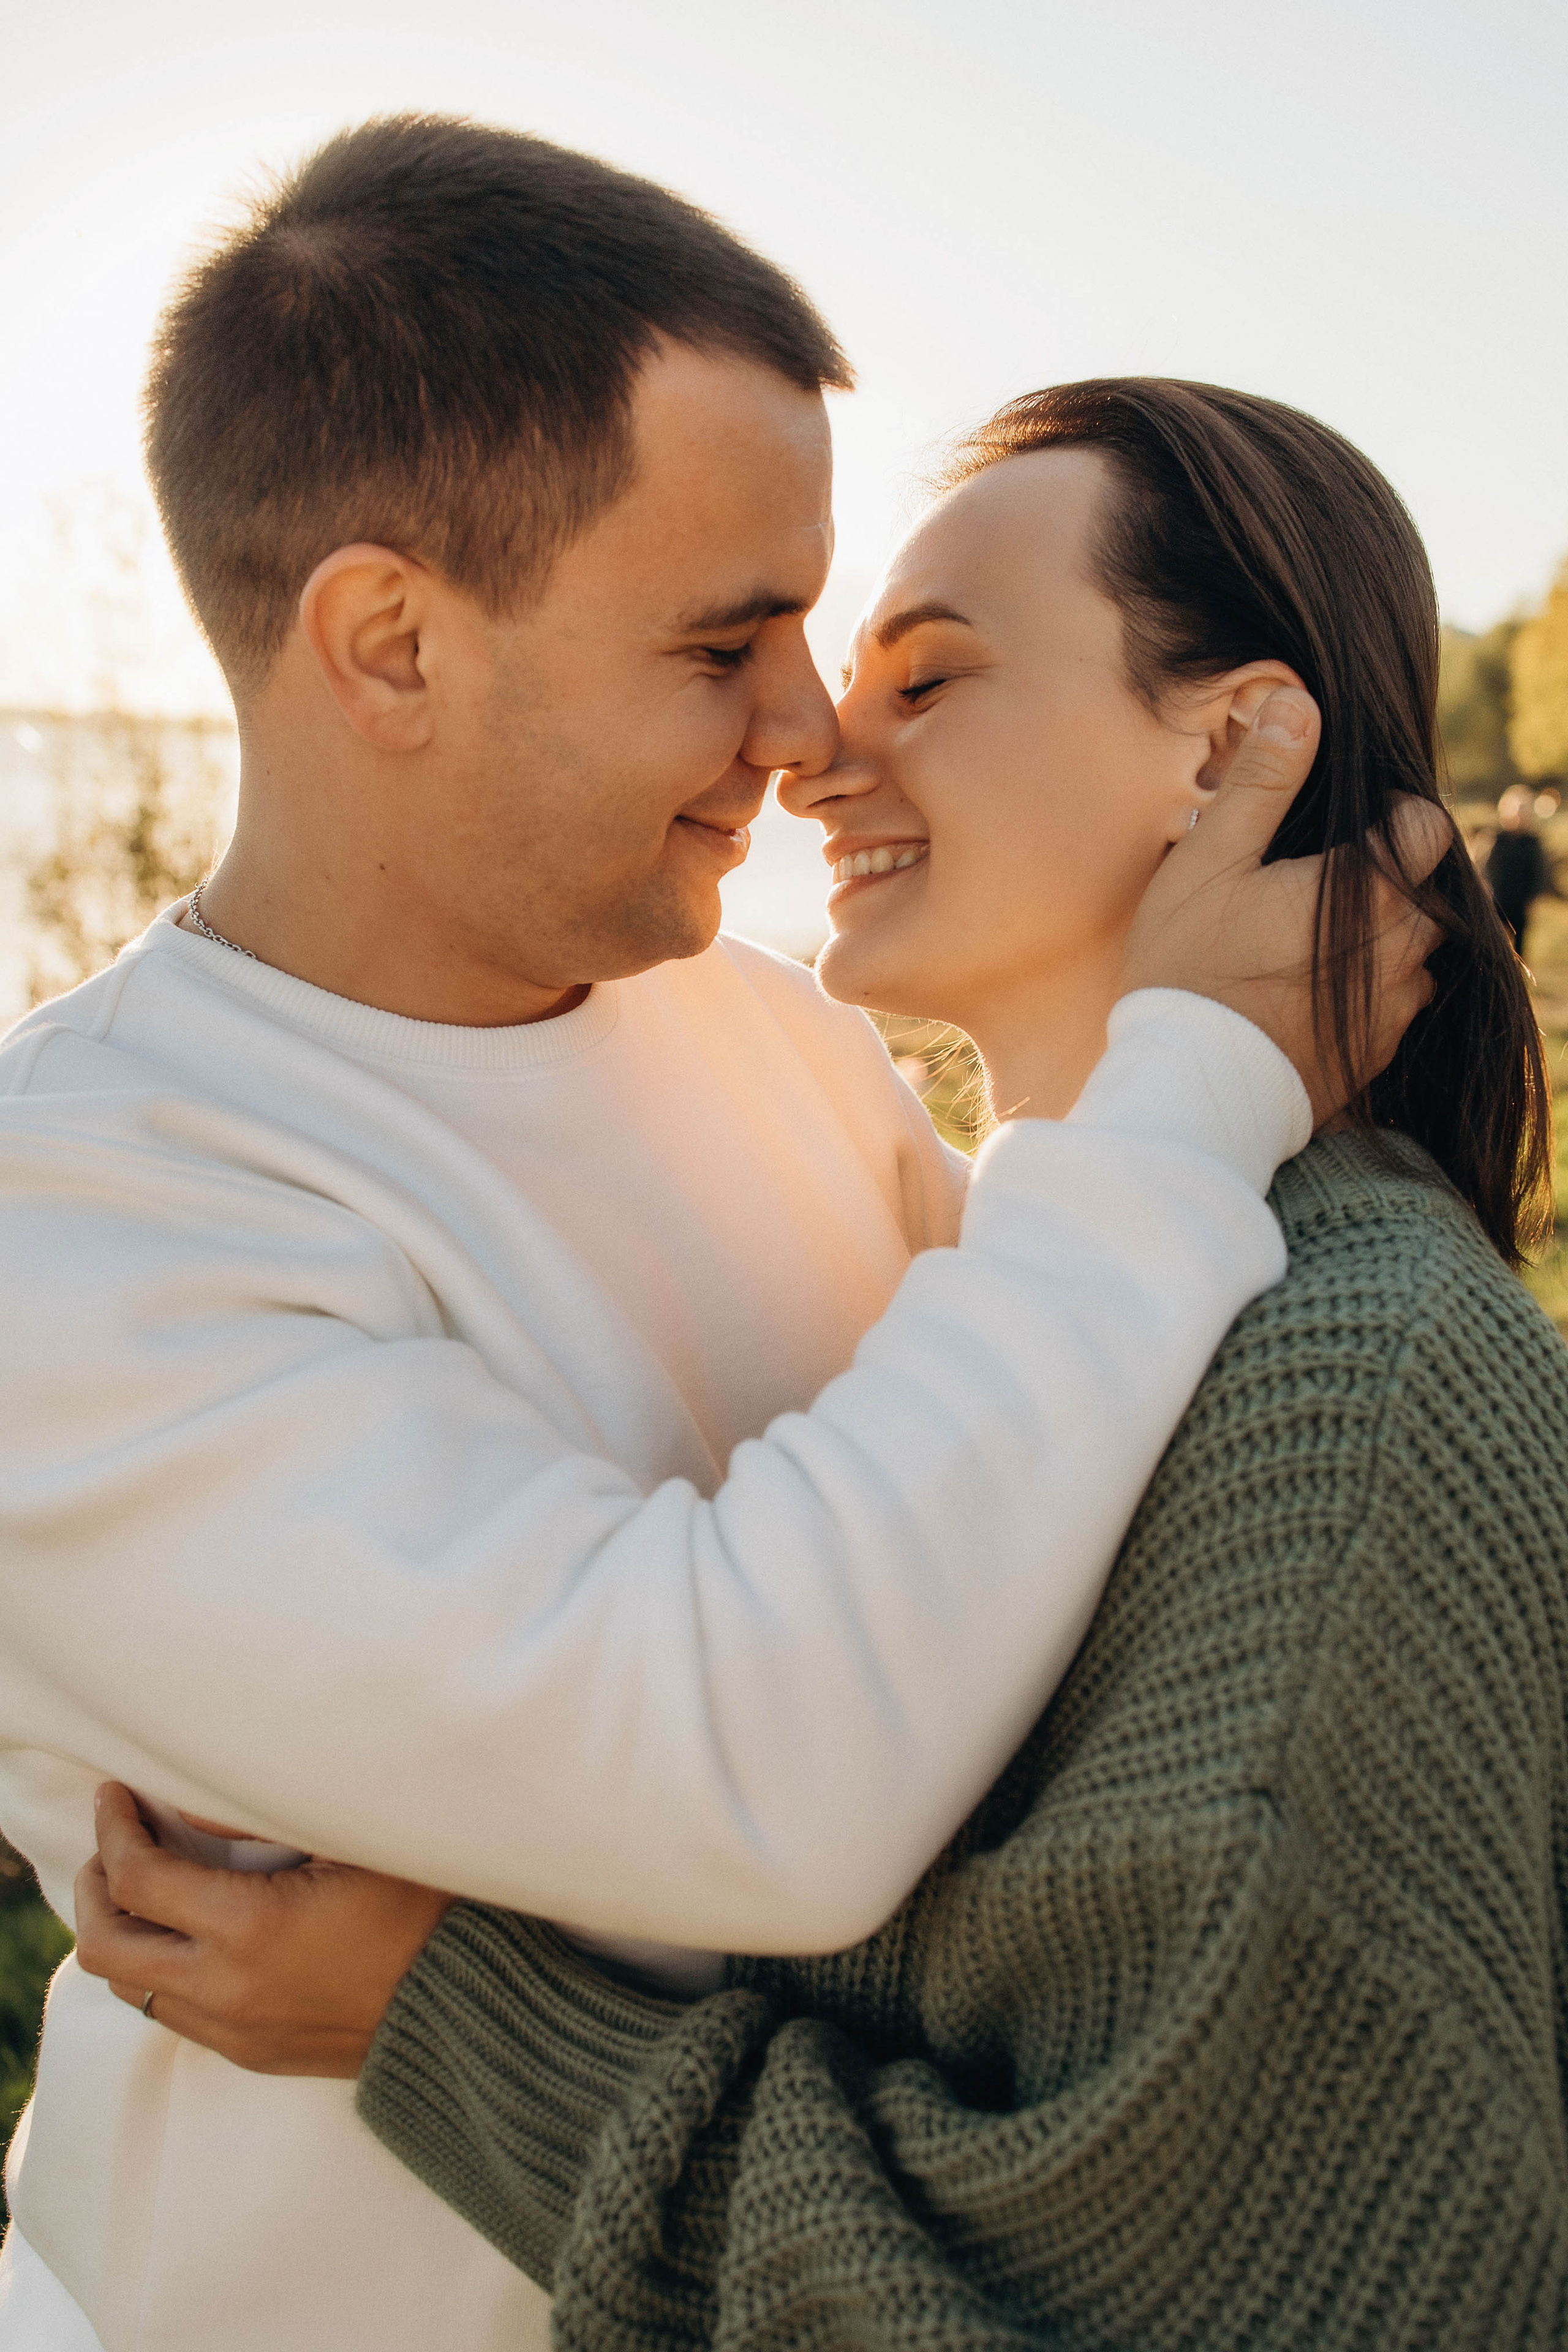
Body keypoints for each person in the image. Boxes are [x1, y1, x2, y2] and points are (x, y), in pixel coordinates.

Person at [0, 125, 1433, 2352]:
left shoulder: (753, 1031)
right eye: (723, 638)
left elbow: (1040, 1525)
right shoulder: (70, 1222)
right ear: (386, 643)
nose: (806, 729)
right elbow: (763, 1779)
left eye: (836, 634)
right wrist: (1184, 1070)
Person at [1485, 783, 1558, 954]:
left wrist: (1534, 897)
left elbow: (1540, 873)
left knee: (1520, 947)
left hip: (1521, 903)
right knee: (1495, 944)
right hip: (1497, 900)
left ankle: (1518, 976)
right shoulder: (1496, 840)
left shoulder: (1532, 844)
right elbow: (1486, 869)